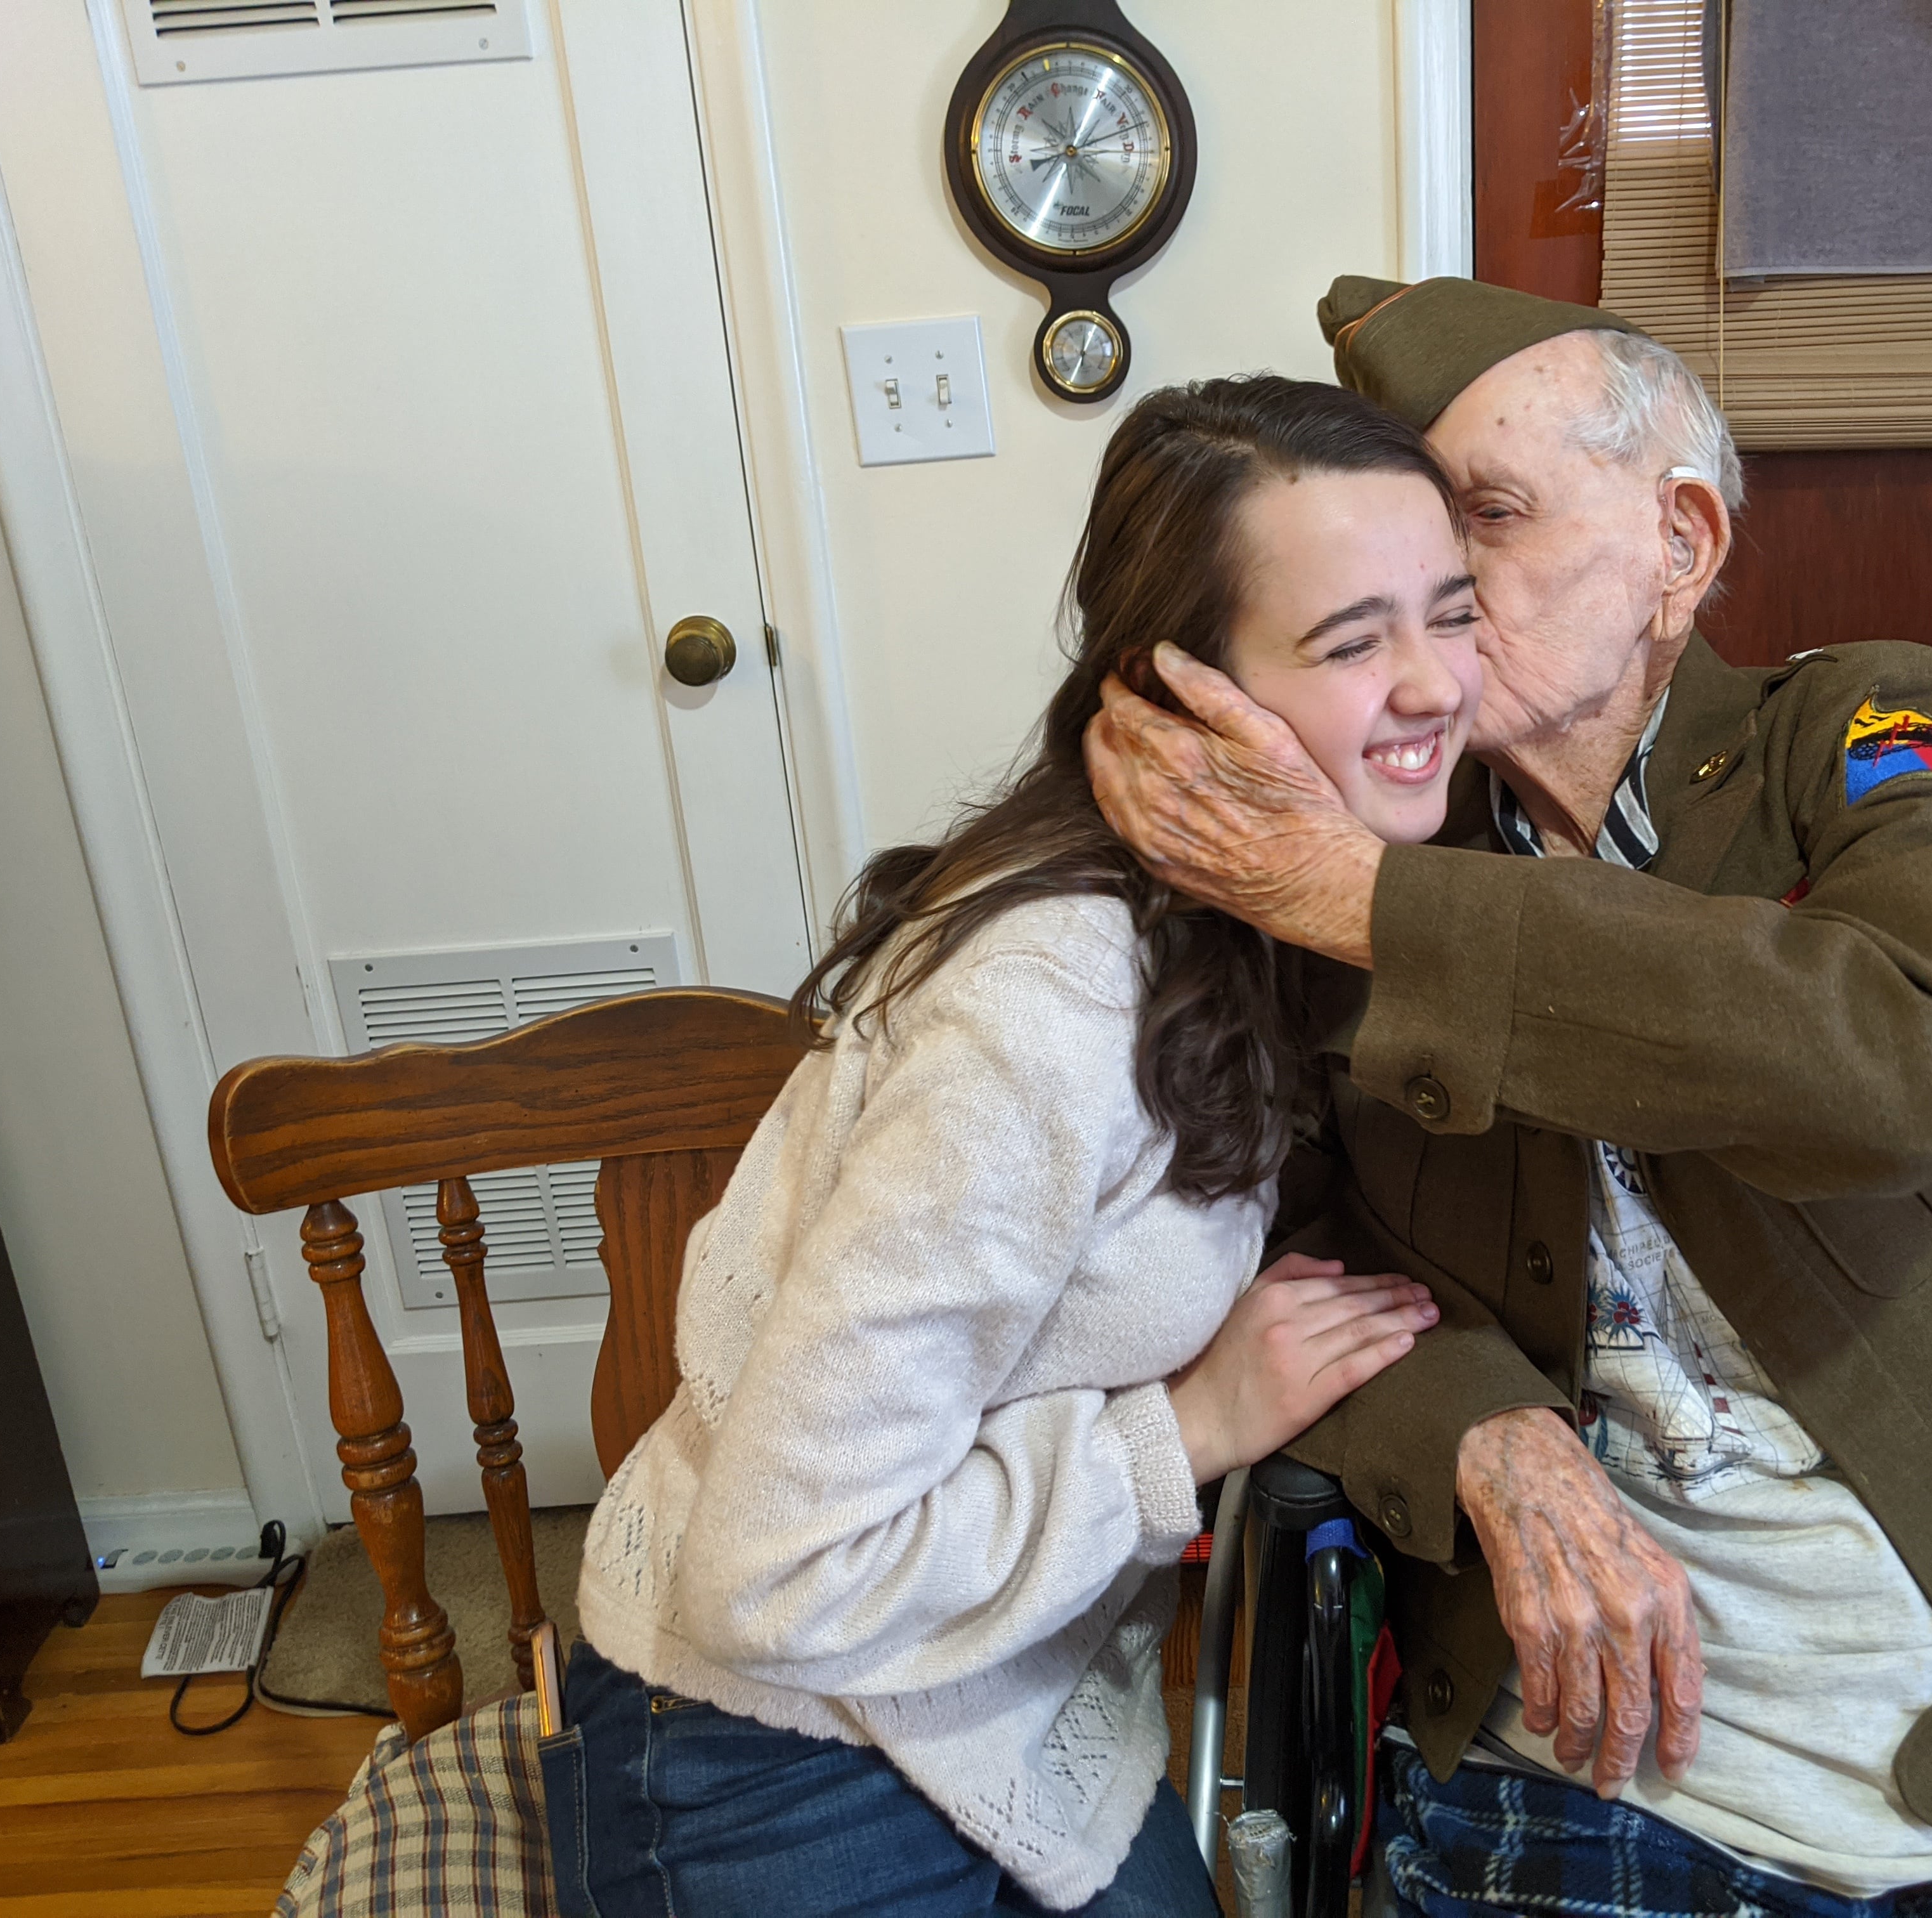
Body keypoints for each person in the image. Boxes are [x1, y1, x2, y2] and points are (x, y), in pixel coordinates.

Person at [1087, 278, 1932, 1916]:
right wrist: (1476, 1428)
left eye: (1487, 517)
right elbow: (1289, 1230)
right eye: (1403, 548)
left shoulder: (1850, 734)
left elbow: (1910, 1054)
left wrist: (1371, 912)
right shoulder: (1359, 837)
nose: (1434, 596)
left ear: (1682, 544)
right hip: (1569, 1707)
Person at [550, 375, 1485, 1918]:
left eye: (1450, 613)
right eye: (1349, 640)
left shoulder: (1280, 917)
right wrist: (1183, 1431)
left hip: (1013, 1708)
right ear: (1178, 689)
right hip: (763, 1739)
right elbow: (775, 1573)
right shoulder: (1048, 1009)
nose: (1432, 683)